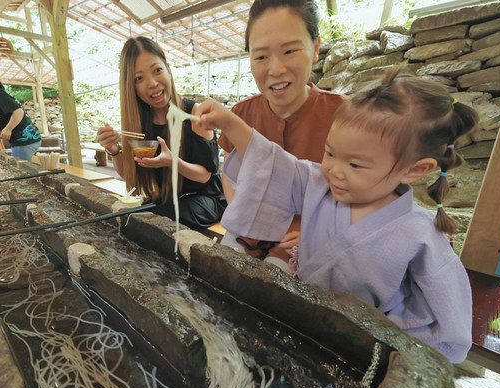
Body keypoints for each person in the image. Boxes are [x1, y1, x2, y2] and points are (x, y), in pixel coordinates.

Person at [195, 71, 475, 363]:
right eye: (329, 153)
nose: (334, 171)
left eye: (354, 164)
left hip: (362, 351)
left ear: (414, 170)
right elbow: (276, 164)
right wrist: (231, 123)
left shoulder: (420, 234)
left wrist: (385, 343)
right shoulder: (319, 185)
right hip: (305, 326)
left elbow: (445, 329)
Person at [218, 0, 345, 270]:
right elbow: (228, 173)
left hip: (308, 237)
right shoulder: (240, 113)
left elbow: (366, 191)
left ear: (316, 48)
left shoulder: (347, 116)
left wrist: (318, 230)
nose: (275, 69)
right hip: (248, 234)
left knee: (278, 281)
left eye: (289, 51)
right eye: (261, 56)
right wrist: (244, 210)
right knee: (220, 270)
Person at [97, 37, 225, 230]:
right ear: (131, 86)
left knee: (145, 222)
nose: (152, 83)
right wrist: (114, 150)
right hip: (165, 201)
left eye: (157, 70)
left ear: (168, 69)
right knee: (131, 218)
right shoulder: (139, 123)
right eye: (139, 78)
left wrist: (172, 161)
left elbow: (205, 177)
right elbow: (130, 176)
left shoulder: (195, 114)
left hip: (205, 200)